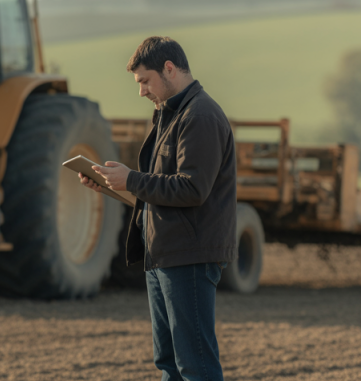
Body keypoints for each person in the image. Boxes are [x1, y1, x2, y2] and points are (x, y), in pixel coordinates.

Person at [79, 36, 237, 380]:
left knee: (196, 366)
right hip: (163, 254)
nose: (141, 92)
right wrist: (112, 185)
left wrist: (132, 179)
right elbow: (162, 190)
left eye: (144, 81)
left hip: (189, 256)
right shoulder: (169, 115)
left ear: (169, 69)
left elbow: (192, 188)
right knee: (169, 364)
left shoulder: (201, 116)